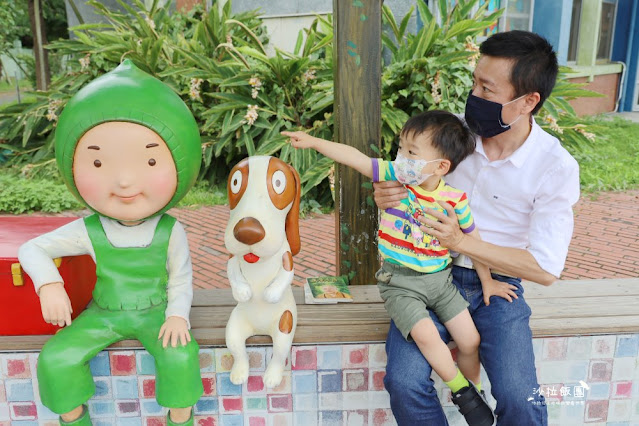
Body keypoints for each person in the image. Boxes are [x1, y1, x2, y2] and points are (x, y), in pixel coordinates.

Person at [373, 30, 580, 425]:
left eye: (487, 89)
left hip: (499, 287)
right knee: (404, 381)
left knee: (521, 397)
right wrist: (388, 196)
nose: (474, 98)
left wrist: (460, 240)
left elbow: (544, 269)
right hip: (429, 275)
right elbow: (399, 182)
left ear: (528, 101)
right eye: (474, 83)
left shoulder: (555, 167)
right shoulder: (451, 138)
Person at [283, 110, 520, 426]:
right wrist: (313, 141)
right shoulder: (395, 179)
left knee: (470, 340)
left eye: (411, 152)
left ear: (441, 167)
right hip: (401, 282)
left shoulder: (454, 199)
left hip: (440, 281)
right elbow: (353, 157)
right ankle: (463, 393)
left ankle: (474, 388)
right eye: (401, 149)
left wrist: (487, 281)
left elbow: (472, 240)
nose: (400, 157)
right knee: (425, 335)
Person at [18, 60, 204, 426]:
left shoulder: (170, 231)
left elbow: (181, 279)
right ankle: (75, 420)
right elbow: (32, 248)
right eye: (99, 163)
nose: (123, 181)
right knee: (56, 358)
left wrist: (178, 314)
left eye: (150, 160)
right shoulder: (89, 229)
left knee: (180, 356)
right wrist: (49, 284)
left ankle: (179, 420)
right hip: (102, 314)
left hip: (156, 311)